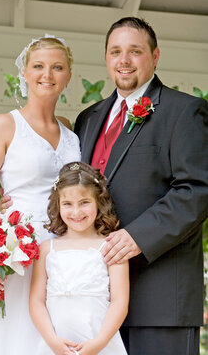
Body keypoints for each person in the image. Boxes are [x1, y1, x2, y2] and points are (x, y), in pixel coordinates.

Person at [74, 17, 208, 355]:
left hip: (160, 298)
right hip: (96, 300)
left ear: (155, 55)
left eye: (135, 51)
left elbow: (197, 189)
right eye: (115, 51)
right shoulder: (88, 119)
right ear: (106, 58)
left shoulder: (185, 111)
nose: (124, 60)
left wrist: (138, 236)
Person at [0, 35, 81, 355]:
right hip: (17, 250)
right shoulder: (4, 125)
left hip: (64, 252)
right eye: (39, 66)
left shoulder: (70, 129)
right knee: (11, 337)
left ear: (68, 75)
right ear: (25, 73)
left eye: (58, 67)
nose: (48, 74)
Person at [29, 161, 129, 355]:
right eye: (67, 204)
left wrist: (99, 343)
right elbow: (36, 301)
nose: (76, 212)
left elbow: (119, 301)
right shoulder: (46, 250)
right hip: (56, 345)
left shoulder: (111, 247)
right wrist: (52, 340)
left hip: (100, 343)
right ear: (57, 206)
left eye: (84, 202)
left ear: (98, 202)